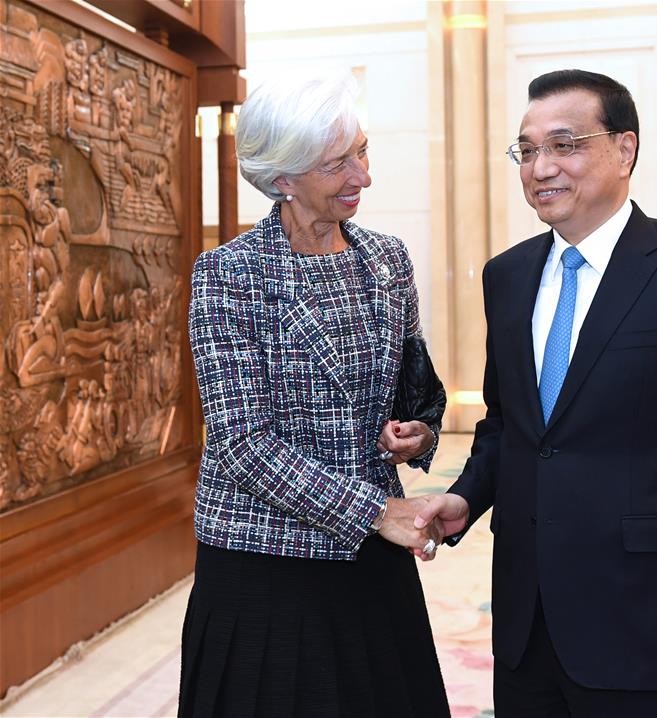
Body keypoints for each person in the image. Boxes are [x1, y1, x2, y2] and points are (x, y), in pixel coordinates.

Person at [414, 69, 657, 717]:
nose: (541, 167)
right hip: (528, 617)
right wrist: (467, 495)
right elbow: (510, 426)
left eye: (566, 144)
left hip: (648, 616)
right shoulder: (509, 276)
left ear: (625, 150)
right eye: (527, 150)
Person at [178, 73, 450, 718]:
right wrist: (373, 513)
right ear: (283, 180)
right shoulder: (229, 273)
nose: (364, 176)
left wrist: (418, 430)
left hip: (373, 559)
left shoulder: (388, 260)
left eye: (362, 150)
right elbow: (241, 444)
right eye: (338, 164)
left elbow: (416, 386)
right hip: (267, 560)